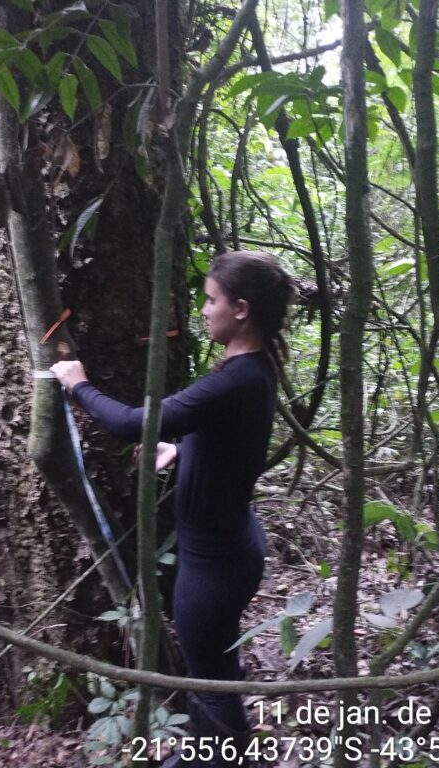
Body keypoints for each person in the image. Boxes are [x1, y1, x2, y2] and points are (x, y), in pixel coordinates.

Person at [51, 251, 294, 766]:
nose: (203, 310)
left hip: (214, 564)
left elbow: (134, 422)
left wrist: (78, 384)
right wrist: (182, 451)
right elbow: (233, 437)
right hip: (230, 547)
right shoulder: (253, 369)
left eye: (211, 301)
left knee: (207, 683)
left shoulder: (237, 376)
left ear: (242, 309)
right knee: (216, 672)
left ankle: (209, 760)